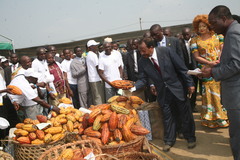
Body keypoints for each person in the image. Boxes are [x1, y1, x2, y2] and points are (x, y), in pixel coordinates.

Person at [131, 37, 196, 152]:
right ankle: (169, 140)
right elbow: (143, 78)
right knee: (167, 117)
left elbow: (181, 68)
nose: (141, 53)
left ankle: (190, 137)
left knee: (185, 114)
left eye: (143, 50)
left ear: (151, 47)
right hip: (163, 93)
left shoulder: (166, 51)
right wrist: (133, 87)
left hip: (177, 88)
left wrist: (190, 83)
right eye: (140, 51)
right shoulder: (143, 61)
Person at [201, 5, 240, 160]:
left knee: (237, 137)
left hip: (237, 96)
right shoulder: (232, 31)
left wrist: (212, 72)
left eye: (214, 23)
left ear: (224, 19)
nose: (212, 28)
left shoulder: (234, 32)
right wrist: (217, 66)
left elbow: (237, 64)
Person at [190, 14, 228, 128]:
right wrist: (209, 63)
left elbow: (223, 50)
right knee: (209, 93)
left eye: (204, 26)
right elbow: (196, 57)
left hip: (220, 66)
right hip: (206, 69)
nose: (201, 28)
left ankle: (223, 116)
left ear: (209, 26)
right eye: (199, 26)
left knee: (221, 91)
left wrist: (218, 61)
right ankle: (210, 119)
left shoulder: (219, 37)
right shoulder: (194, 40)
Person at [180, 27, 198, 112]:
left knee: (194, 86)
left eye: (187, 34)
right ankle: (187, 106)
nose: (186, 36)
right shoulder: (180, 43)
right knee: (187, 87)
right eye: (184, 35)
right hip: (185, 69)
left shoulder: (195, 41)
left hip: (195, 68)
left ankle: (192, 106)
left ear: (190, 33)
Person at [86, 40, 105, 104]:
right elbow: (98, 67)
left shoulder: (89, 55)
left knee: (96, 96)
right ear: (90, 48)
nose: (96, 47)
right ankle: (99, 111)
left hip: (93, 79)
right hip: (96, 79)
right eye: (94, 46)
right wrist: (102, 78)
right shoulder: (92, 55)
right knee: (98, 97)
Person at [32, 47, 49, 115]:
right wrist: (39, 90)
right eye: (41, 54)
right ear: (37, 55)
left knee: (46, 108)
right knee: (40, 109)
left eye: (44, 54)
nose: (43, 55)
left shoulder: (44, 61)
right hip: (39, 89)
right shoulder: (35, 63)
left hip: (45, 88)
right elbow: (34, 79)